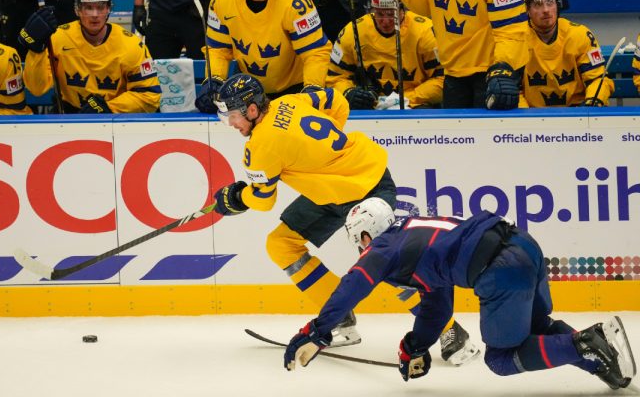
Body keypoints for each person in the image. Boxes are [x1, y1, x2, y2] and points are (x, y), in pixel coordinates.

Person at [212, 74, 478, 364]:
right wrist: (326, 155)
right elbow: (335, 101)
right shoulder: (289, 101)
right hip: (339, 189)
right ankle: (340, 319)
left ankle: (451, 332)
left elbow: (263, 201)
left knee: (388, 262)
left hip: (367, 190)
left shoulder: (260, 147)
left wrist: (237, 199)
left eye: (234, 116)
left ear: (252, 110)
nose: (232, 124)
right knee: (282, 243)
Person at [283, 197, 636, 391]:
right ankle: (596, 360)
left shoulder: (383, 249)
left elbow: (352, 286)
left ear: (364, 235)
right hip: (525, 245)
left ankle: (587, 343)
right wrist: (416, 345)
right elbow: (437, 306)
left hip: (500, 272)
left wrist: (316, 331)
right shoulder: (414, 230)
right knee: (537, 327)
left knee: (500, 359)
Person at [194, 0, 332, 113]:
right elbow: (218, 49)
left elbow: (314, 51)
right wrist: (214, 80)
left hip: (295, 89)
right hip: (247, 90)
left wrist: (312, 88)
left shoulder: (295, 0)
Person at [389, 0, 528, 109]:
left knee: (490, 130)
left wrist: (503, 68)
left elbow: (512, 30)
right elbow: (426, 5)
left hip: (490, 72)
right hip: (453, 70)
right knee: (457, 131)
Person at [20, 0, 161, 114]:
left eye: (100, 7)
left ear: (109, 9)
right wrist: (36, 50)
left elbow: (150, 95)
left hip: (113, 118)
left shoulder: (131, 45)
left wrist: (110, 108)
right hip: (68, 115)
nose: (95, 15)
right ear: (77, 10)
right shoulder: (57, 38)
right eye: (88, 8)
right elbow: (36, 89)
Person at [327, 0, 443, 109]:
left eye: (391, 14)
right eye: (380, 14)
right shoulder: (352, 32)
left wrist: (406, 99)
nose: (386, 21)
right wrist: (348, 92)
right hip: (369, 106)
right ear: (371, 9)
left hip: (415, 106)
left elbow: (442, 80)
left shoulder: (426, 32)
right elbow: (334, 78)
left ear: (402, 9)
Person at [519, 0, 612, 107]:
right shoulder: (517, 39)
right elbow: (514, 90)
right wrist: (525, 118)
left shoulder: (580, 35)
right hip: (533, 117)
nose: (546, 10)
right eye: (538, 5)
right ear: (527, 10)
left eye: (550, 2)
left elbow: (597, 79)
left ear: (557, 5)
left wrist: (592, 104)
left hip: (577, 113)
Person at [133, 0, 231, 60]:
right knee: (157, 72)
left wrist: (232, 8)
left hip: (200, 13)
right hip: (161, 10)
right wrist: (138, 4)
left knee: (207, 71)